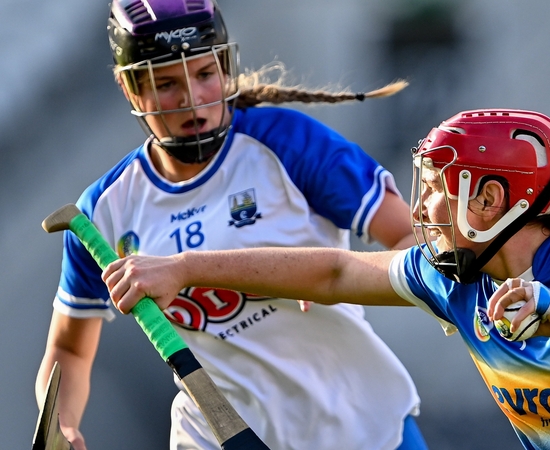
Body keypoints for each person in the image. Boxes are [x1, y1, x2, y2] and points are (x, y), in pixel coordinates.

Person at [102, 108, 550, 449]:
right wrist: (184, 269)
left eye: (440, 189)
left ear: (492, 200)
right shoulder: (452, 280)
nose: (421, 210)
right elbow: (333, 270)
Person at [35, 1, 429, 449]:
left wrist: (326, 275)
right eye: (166, 84)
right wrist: (63, 424)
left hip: (358, 422)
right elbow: (69, 349)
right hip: (214, 434)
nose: (191, 99)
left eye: (205, 74)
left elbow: (414, 241)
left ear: (225, 65)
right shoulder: (105, 210)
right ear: (129, 88)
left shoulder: (288, 143)